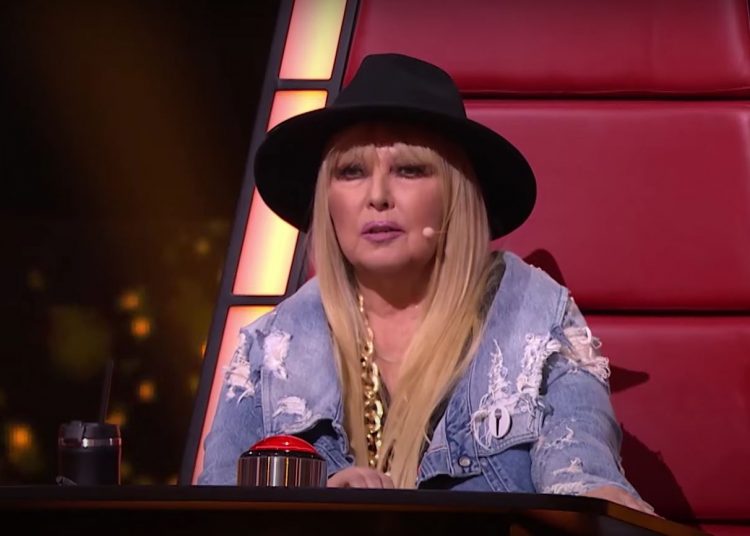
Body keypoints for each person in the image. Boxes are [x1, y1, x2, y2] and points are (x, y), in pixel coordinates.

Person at [198, 53, 654, 514]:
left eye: (409, 170)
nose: (378, 196)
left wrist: (598, 497)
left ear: (456, 194)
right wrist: (318, 507)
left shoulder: (536, 319)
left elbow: (581, 480)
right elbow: (214, 515)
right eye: (351, 171)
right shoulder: (270, 348)